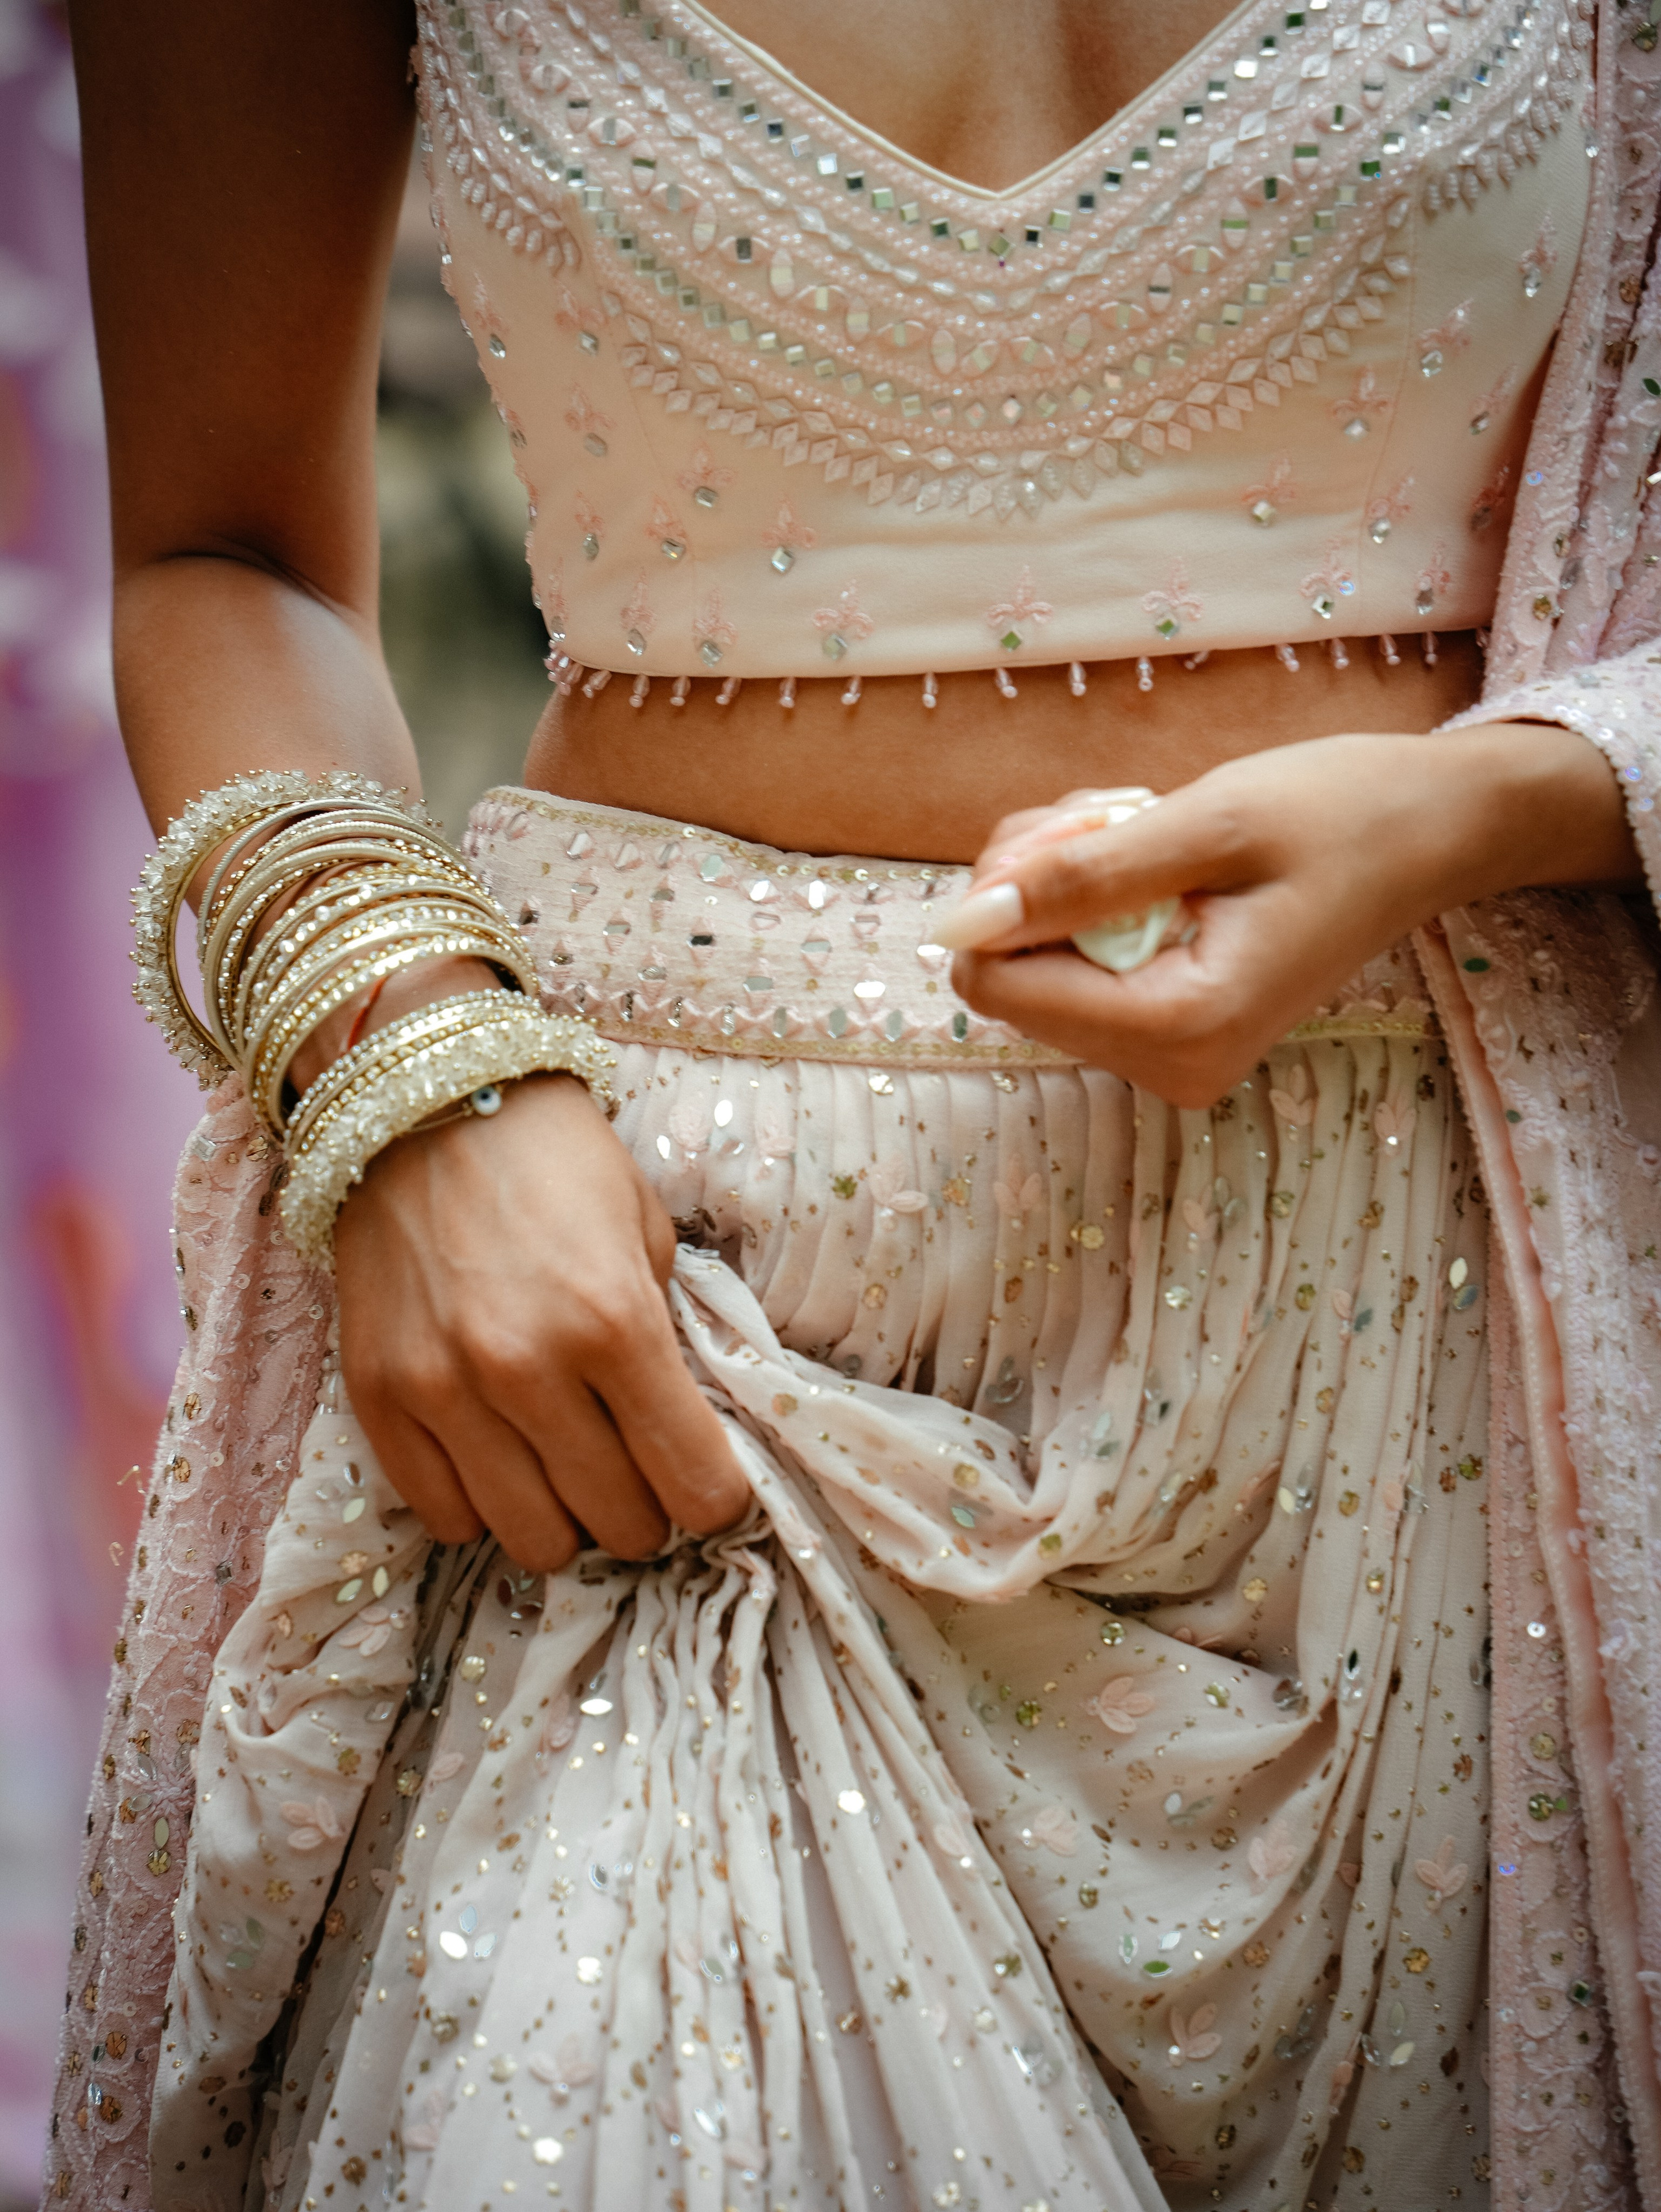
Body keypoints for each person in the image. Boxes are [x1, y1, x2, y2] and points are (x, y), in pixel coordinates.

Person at [47, 0, 1661, 2206]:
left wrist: (1488, 803)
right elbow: (220, 555)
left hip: (1450, 1336)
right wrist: (403, 1065)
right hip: (657, 1330)